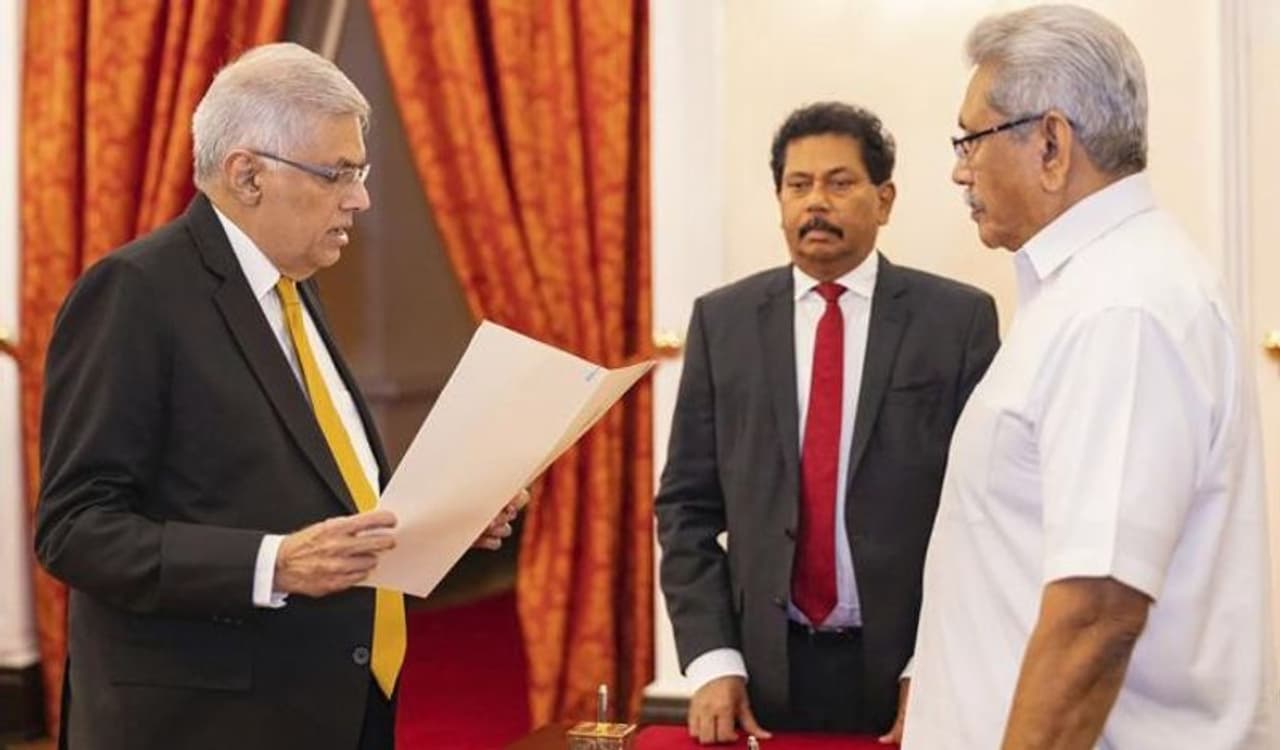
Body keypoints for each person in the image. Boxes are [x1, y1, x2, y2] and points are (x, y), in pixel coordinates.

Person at [34, 43, 519, 750]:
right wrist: (272, 563)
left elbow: (310, 488)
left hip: (340, 699)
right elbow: (75, 529)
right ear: (247, 174)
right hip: (207, 722)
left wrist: (438, 522)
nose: (361, 197)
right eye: (338, 173)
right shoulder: (136, 293)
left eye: (362, 171)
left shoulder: (295, 287)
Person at [904, 5, 1279, 748]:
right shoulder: (1088, 292)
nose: (959, 168)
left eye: (970, 139)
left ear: (1051, 142)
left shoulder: (1123, 305)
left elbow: (1097, 613)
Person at [655, 101, 999, 744]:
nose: (816, 202)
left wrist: (936, 665)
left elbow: (987, 516)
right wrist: (711, 660)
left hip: (909, 669)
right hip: (761, 673)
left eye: (840, 183)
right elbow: (686, 509)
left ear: (885, 198)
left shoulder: (955, 323)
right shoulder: (722, 324)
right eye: (798, 185)